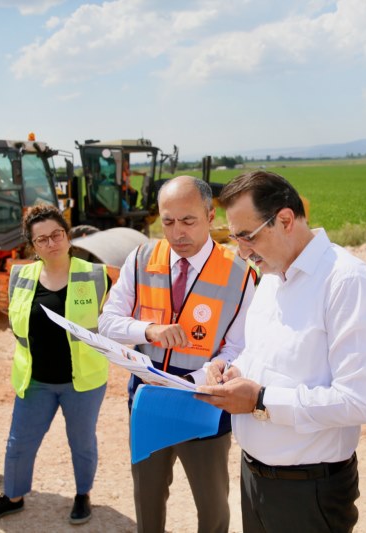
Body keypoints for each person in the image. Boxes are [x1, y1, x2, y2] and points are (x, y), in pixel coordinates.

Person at [196, 170, 366, 533]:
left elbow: (359, 401)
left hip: (308, 491)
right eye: (233, 238)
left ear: (285, 219)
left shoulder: (346, 281)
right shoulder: (270, 277)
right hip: (254, 477)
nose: (241, 252)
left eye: (247, 237)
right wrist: (231, 369)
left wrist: (260, 400)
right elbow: (260, 357)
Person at [98, 175, 256, 533]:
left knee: (212, 507)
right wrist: (147, 330)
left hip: (204, 402)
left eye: (188, 221)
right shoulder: (140, 259)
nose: (178, 232)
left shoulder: (241, 273)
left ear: (210, 215)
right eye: (168, 222)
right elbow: (107, 322)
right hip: (149, 398)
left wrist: (200, 378)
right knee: (148, 499)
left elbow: (241, 345)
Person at [0, 204, 111, 525]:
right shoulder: (20, 276)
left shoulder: (94, 275)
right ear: (31, 245)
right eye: (42, 240)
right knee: (19, 442)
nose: (51, 243)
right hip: (35, 380)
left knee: (81, 442)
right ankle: (13, 497)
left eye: (56, 235)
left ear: (68, 235)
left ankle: (82, 495)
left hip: (83, 381)